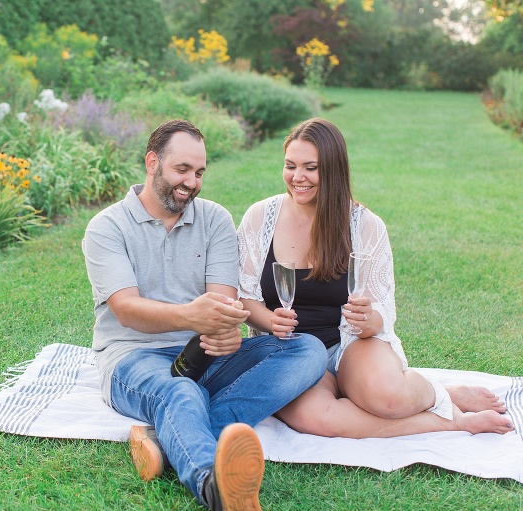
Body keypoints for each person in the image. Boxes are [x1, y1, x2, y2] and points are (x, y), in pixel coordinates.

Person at [82, 119, 328, 510]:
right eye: (182, 170)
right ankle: (215, 485)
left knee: (308, 350)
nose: (192, 182)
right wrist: (193, 317)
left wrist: (227, 329)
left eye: (199, 173)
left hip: (205, 352)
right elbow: (126, 310)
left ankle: (168, 435)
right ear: (152, 163)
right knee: (180, 389)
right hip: (132, 359)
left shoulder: (213, 219)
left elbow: (222, 303)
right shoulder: (106, 228)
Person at [236, 117, 515, 438]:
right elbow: (245, 297)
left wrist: (367, 320)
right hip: (290, 351)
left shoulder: (364, 226)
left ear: (333, 169)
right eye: (290, 166)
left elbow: (383, 314)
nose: (298, 177)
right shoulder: (259, 218)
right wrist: (270, 321)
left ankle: (434, 392)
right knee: (315, 418)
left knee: (389, 399)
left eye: (310, 167)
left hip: (350, 345)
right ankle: (452, 419)